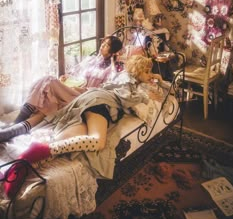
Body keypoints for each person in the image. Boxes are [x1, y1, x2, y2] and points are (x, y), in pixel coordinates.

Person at [3, 55, 163, 198]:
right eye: (148, 72)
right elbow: (126, 98)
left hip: (92, 100)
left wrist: (155, 78)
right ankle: (40, 151)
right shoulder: (127, 81)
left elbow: (145, 84)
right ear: (139, 70)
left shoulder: (126, 78)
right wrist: (144, 95)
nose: (150, 76)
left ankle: (25, 163)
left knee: (66, 140)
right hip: (101, 102)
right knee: (98, 141)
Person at [0, 35, 123, 142]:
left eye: (106, 46)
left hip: (84, 97)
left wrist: (113, 62)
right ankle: (12, 131)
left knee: (47, 80)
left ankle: (17, 122)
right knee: (49, 102)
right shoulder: (91, 60)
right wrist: (66, 77)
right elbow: (75, 72)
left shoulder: (111, 70)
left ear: (112, 52)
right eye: (103, 43)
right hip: (70, 91)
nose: (102, 46)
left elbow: (104, 90)